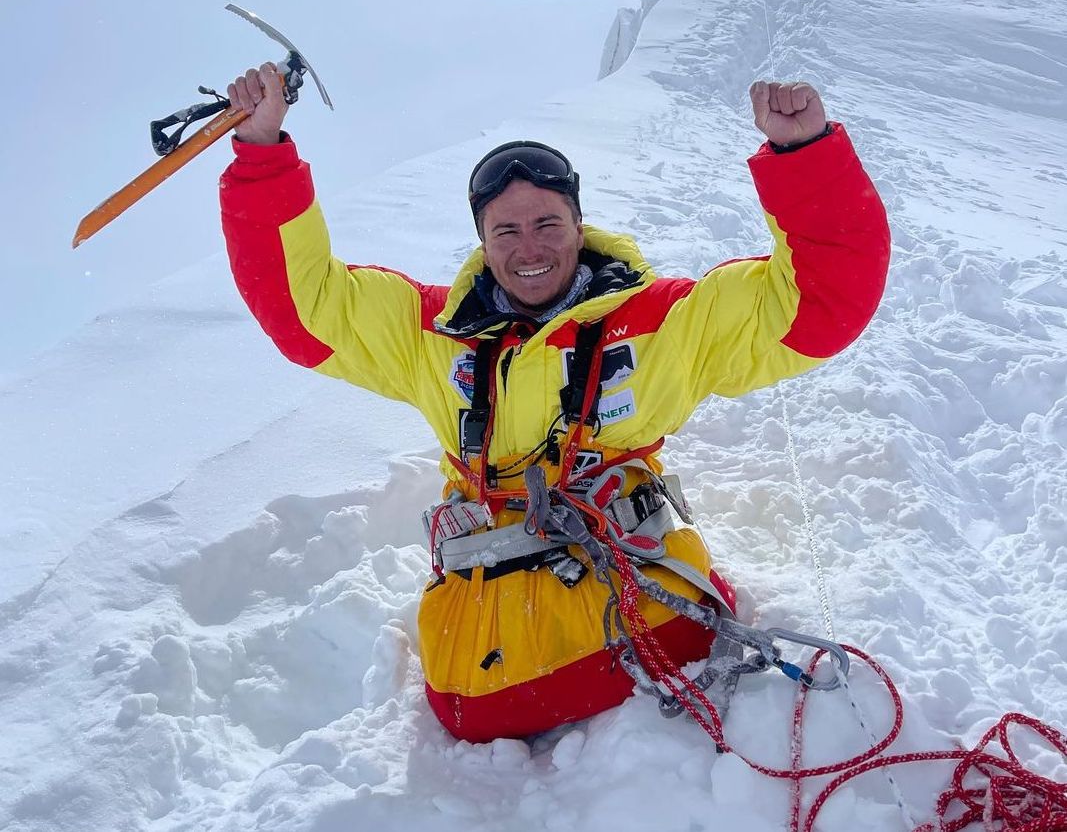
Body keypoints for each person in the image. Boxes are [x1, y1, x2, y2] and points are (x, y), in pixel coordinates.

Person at [220, 63, 890, 742]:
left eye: (547, 223)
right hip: (485, 637)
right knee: (470, 705)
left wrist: (803, 156)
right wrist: (262, 153)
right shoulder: (429, 335)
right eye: (505, 231)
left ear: (579, 223)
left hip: (641, 600)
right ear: (482, 242)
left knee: (483, 704)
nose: (529, 248)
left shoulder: (663, 323)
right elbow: (303, 309)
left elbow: (818, 306)